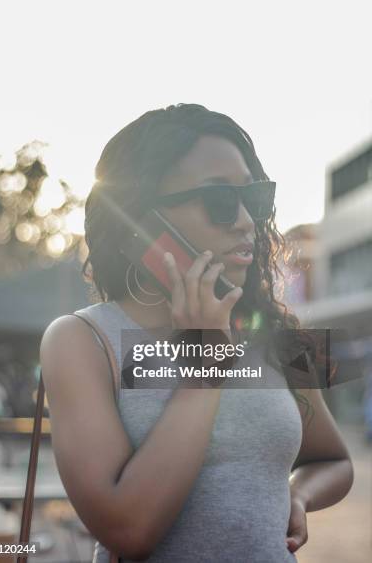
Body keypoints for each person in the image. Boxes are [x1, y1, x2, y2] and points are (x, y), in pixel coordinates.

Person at [40, 104, 354, 562]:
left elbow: (334, 459)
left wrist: (299, 495)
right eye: (220, 202)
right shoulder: (79, 339)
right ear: (143, 222)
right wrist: (205, 360)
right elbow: (129, 529)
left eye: (255, 198)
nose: (247, 221)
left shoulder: (276, 332)